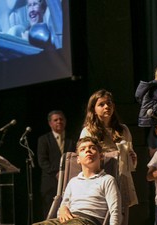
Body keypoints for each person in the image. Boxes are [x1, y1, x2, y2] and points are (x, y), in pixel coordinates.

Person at [79, 89, 138, 225]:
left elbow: (130, 158)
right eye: (102, 104)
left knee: (121, 218)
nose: (107, 106)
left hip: (122, 179)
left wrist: (132, 159)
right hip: (100, 182)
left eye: (109, 103)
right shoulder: (88, 131)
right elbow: (84, 159)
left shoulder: (123, 130)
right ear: (93, 109)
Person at [33, 136, 122, 225]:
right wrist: (62, 209)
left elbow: (115, 211)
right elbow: (63, 208)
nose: (88, 150)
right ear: (78, 159)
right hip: (67, 220)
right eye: (83, 149)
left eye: (92, 148)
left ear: (101, 156)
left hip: (87, 221)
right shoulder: (73, 182)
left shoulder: (107, 180)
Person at [37, 110, 76, 219]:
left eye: (61, 119)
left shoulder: (72, 138)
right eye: (56, 120)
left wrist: (65, 174)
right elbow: (43, 162)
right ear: (50, 123)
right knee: (49, 215)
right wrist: (58, 172)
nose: (59, 121)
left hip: (69, 183)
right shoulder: (43, 140)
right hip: (50, 184)